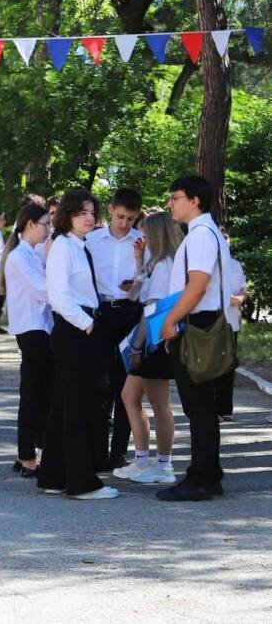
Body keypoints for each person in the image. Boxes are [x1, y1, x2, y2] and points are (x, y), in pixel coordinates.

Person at [36, 189, 118, 499]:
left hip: (80, 328)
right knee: (79, 408)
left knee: (63, 406)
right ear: (67, 214)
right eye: (82, 211)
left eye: (92, 212)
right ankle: (82, 483)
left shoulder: (79, 247)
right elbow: (58, 296)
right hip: (75, 329)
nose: (90, 217)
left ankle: (53, 476)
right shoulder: (62, 247)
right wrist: (88, 325)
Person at [158, 175, 234, 501]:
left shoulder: (201, 234)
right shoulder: (206, 232)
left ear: (195, 201)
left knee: (198, 407)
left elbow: (198, 284)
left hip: (197, 325)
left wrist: (171, 320)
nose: (170, 204)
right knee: (202, 406)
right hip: (204, 322)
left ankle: (200, 478)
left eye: (175, 198)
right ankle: (210, 474)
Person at [114, 212, 183, 485]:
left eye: (145, 233)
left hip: (156, 338)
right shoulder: (156, 262)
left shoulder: (167, 264)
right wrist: (139, 262)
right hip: (151, 336)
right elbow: (134, 295)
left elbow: (155, 306)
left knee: (157, 402)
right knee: (131, 396)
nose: (141, 239)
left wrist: (140, 342)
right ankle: (143, 460)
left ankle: (163, 464)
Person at [85, 187, 145, 470]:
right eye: (120, 216)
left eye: (130, 219)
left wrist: (137, 281)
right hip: (100, 313)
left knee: (126, 385)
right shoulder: (92, 239)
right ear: (110, 210)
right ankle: (96, 449)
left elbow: (150, 278)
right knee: (98, 384)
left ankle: (118, 450)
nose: (124, 223)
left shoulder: (142, 241)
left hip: (130, 313)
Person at [0, 204, 53, 475]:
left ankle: (29, 454)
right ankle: (27, 456)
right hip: (32, 330)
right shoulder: (20, 257)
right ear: (30, 224)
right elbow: (44, 290)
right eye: (45, 224)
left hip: (40, 329)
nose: (48, 230)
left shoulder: (32, 253)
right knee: (32, 394)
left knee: (39, 394)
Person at [217, 250, 247, 421]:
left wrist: (240, 298)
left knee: (229, 366)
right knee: (211, 365)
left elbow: (244, 288)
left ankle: (225, 409)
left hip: (232, 323)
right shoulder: (206, 263)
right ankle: (210, 409)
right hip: (211, 324)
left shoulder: (235, 264)